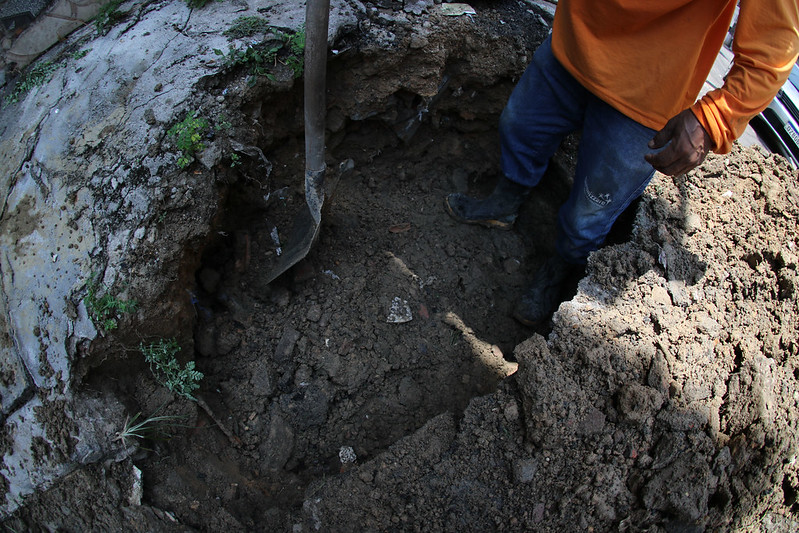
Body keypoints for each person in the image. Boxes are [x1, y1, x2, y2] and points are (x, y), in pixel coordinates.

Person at [445, 0, 799, 326]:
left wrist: (714, 118)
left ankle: (558, 270)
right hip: (572, 44)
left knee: (589, 212)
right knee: (519, 127)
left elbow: (773, 48)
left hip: (648, 93)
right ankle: (504, 205)